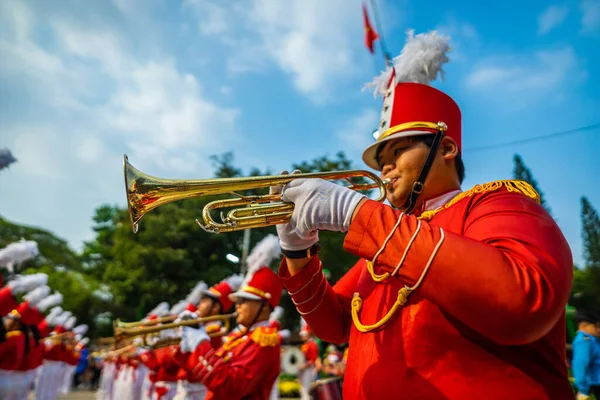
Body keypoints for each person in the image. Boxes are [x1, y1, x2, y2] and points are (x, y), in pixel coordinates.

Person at [275, 30, 573, 399]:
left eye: (396, 153)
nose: (385, 170)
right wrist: (297, 253)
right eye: (381, 162)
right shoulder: (393, 237)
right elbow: (335, 325)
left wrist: (357, 214)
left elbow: (524, 300)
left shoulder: (499, 204)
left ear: (446, 148)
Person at [177, 235, 283, 400]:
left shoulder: (265, 341)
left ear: (264, 307)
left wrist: (199, 343)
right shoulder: (239, 337)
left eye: (245, 300)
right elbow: (201, 372)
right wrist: (183, 345)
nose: (238, 305)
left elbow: (230, 386)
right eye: (238, 300)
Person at [572, 311, 600, 399]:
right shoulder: (584, 340)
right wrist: (583, 389)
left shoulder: (592, 340)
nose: (599, 329)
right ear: (584, 326)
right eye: (596, 326)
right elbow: (581, 364)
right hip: (595, 384)